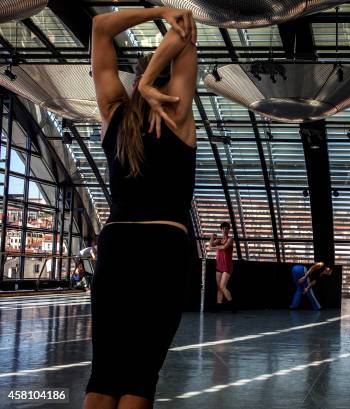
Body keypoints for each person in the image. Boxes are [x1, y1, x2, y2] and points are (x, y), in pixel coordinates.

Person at [85, 7, 197, 409]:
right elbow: (185, 30)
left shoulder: (114, 111)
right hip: (164, 244)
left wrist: (156, 9)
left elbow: (100, 27)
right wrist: (153, 81)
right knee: (140, 377)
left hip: (117, 243)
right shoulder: (175, 109)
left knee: (105, 374)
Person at [209, 221, 235, 312]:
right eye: (223, 228)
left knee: (223, 286)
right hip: (219, 265)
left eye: (227, 228)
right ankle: (218, 307)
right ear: (221, 229)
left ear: (229, 230)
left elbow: (224, 247)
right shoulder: (219, 240)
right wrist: (212, 238)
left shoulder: (230, 239)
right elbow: (210, 246)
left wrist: (214, 247)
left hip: (227, 266)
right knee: (219, 287)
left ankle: (232, 306)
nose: (225, 230)